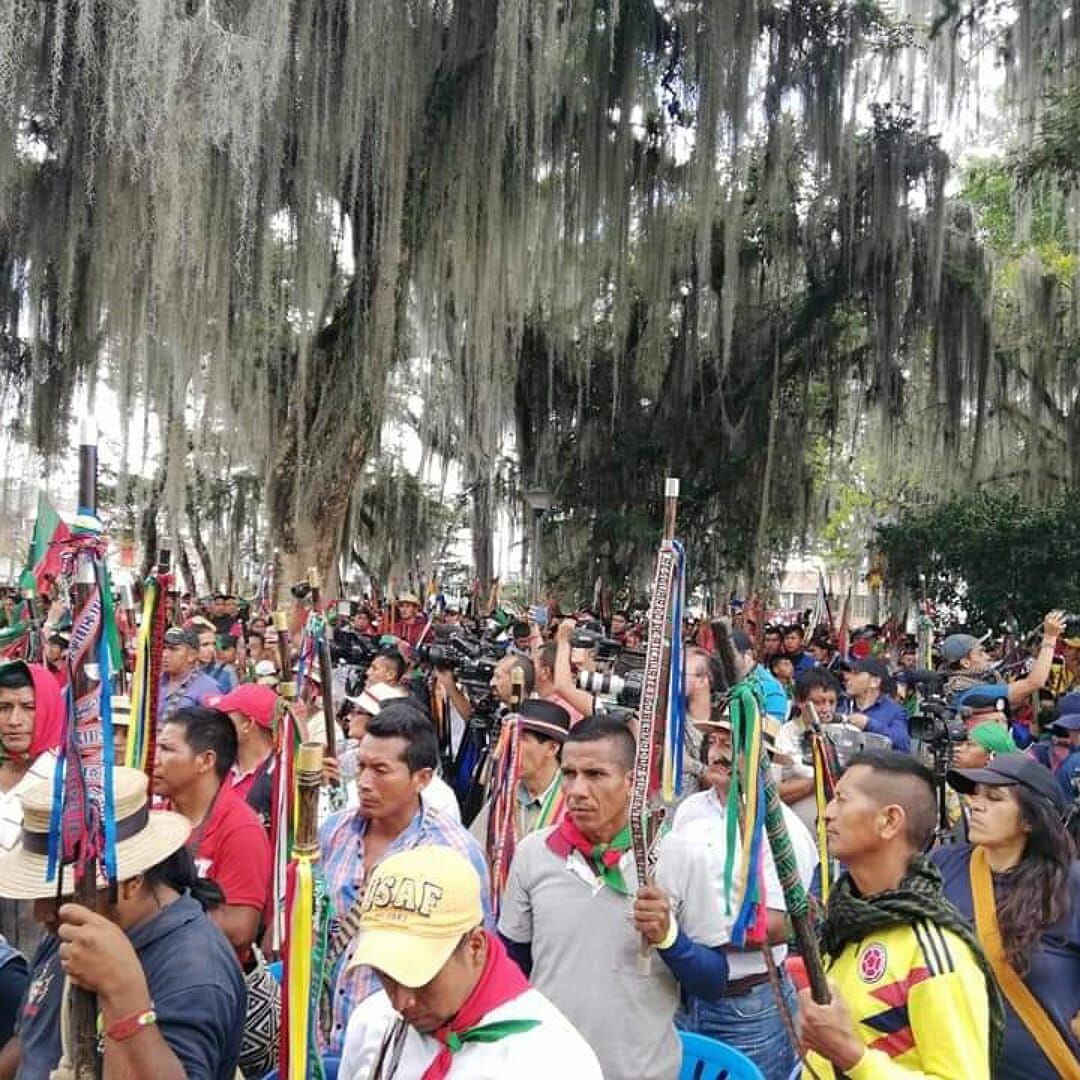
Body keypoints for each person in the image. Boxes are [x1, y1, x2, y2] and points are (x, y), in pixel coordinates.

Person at [498, 716, 731, 1080]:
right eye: (569, 773)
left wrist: (670, 939)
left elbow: (714, 982)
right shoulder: (533, 854)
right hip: (545, 1069)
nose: (576, 790)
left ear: (631, 782)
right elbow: (512, 965)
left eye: (595, 775)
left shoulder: (681, 857)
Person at [0, 766, 245, 1079]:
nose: (41, 913)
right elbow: (31, 1042)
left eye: (60, 896)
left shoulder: (195, 969)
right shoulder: (74, 928)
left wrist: (125, 996)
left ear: (131, 882)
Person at [797, 750, 1002, 1079]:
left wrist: (853, 1058)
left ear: (890, 820)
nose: (828, 813)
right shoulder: (849, 925)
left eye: (842, 800)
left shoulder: (935, 951)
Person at [338, 846, 601, 1079]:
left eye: (420, 976)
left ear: (475, 947)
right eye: (386, 975)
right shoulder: (373, 1022)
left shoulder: (553, 1062)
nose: (400, 1001)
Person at [319, 703, 491, 1054]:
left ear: (422, 778)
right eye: (362, 766)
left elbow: (475, 958)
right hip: (324, 1041)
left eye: (381, 770)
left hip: (402, 1046)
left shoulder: (453, 852)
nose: (365, 782)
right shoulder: (334, 831)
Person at [672, 730, 815, 1080]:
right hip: (682, 996)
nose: (718, 754)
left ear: (760, 758)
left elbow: (781, 924)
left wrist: (678, 938)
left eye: (732, 745)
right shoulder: (691, 808)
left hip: (745, 1005)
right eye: (715, 742)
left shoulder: (784, 830)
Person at [934, 754, 1080, 1078]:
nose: (976, 804)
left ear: (1029, 820)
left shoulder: (1069, 884)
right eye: (975, 794)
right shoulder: (942, 865)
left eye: (994, 798)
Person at [152, 705, 271, 966]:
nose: (154, 759)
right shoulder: (154, 818)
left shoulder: (241, 829)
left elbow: (240, 930)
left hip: (204, 978)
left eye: (167, 749)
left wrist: (152, 912)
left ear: (205, 761)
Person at [470, 699, 569, 849]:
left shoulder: (571, 802)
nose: (511, 748)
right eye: (511, 739)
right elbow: (474, 849)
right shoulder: (505, 794)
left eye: (522, 739)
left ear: (552, 748)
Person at [942, 611, 1064, 706]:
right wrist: (1050, 637)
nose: (988, 656)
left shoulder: (965, 685)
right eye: (980, 653)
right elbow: (1034, 683)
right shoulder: (973, 693)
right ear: (966, 663)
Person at [775, 669, 842, 831]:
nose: (826, 708)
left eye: (831, 702)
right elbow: (773, 793)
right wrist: (823, 777)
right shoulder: (784, 735)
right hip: (797, 832)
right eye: (818, 702)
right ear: (799, 701)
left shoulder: (847, 734)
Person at [212, 682, 277, 802]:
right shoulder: (216, 766)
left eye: (224, 716)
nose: (215, 723)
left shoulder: (279, 781)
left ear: (247, 725)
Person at [841, 658, 911, 752]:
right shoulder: (842, 705)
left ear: (874, 682)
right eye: (848, 673)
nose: (847, 677)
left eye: (856, 673)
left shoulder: (894, 711)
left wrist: (869, 724)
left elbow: (903, 743)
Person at [158, 627, 221, 724]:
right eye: (163, 648)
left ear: (192, 655)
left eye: (173, 649)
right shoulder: (154, 682)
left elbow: (214, 731)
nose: (165, 654)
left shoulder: (208, 688)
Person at [731, 630, 788, 724]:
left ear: (748, 655)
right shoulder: (727, 682)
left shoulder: (771, 689)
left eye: (731, 658)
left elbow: (771, 732)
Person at [532, 644, 585, 726]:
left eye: (532, 663)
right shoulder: (571, 702)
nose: (527, 668)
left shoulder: (563, 711)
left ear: (545, 672)